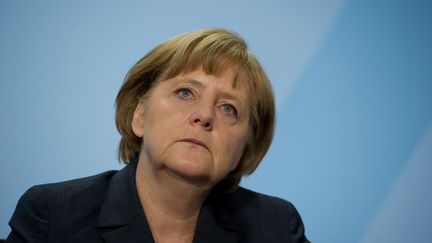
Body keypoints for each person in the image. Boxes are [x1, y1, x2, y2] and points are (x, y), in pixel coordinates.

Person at [6, 28, 309, 243]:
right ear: (139, 115)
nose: (204, 116)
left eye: (228, 108)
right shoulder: (52, 215)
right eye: (185, 92)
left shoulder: (276, 227)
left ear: (244, 148)